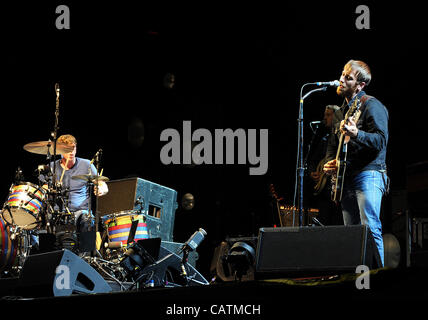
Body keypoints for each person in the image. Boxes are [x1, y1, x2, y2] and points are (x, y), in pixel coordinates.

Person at [323, 60, 389, 267]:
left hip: (368, 174)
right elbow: (332, 147)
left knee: (369, 229)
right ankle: (356, 280)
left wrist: (357, 133)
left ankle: (377, 278)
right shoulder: (340, 112)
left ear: (360, 85)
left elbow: (381, 140)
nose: (341, 79)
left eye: (348, 77)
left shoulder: (371, 105)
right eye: (342, 74)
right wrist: (329, 163)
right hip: (346, 178)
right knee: (351, 235)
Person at [44, 134, 108, 250]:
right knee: (46, 220)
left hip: (80, 212)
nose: (71, 152)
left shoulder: (86, 165)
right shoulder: (52, 167)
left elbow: (102, 184)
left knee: (87, 219)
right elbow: (43, 189)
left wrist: (102, 189)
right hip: (58, 213)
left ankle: (86, 257)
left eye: (73, 148)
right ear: (59, 151)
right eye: (67, 149)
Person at [306, 105, 342, 226]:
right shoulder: (324, 140)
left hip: (339, 189)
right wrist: (312, 172)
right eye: (324, 115)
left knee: (338, 223)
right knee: (324, 223)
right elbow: (312, 160)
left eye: (328, 115)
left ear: (336, 116)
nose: (324, 118)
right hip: (324, 192)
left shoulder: (343, 137)